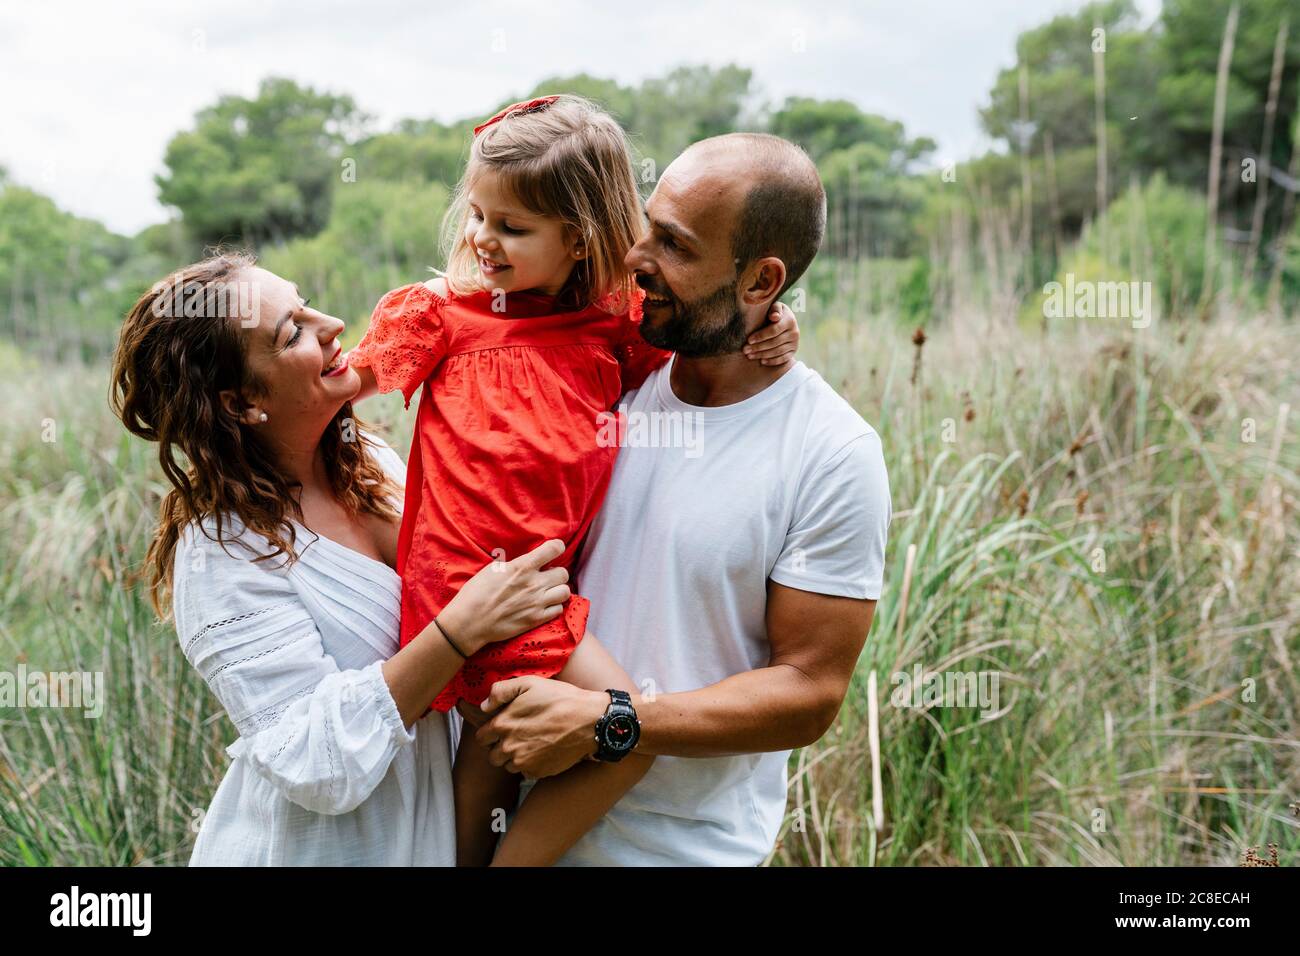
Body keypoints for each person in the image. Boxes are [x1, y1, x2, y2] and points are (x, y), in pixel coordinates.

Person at [345, 95, 800, 865]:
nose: (484, 239)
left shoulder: (612, 327)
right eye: (479, 216)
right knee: (629, 731)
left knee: (496, 736)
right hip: (475, 582)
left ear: (582, 240)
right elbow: (336, 384)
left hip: (531, 583)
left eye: (513, 228)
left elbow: (706, 340)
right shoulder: (443, 318)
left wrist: (772, 323)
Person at [464, 133, 893, 866]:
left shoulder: (830, 453)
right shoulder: (603, 370)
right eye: (648, 228)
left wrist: (614, 723)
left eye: (675, 246)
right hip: (504, 819)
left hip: (682, 852)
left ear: (761, 283)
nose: (637, 259)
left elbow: (809, 691)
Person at [110, 253, 571, 865]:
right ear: (241, 403)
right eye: (291, 331)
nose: (329, 323)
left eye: (304, 303)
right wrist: (459, 631)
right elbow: (311, 762)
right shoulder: (221, 551)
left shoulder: (369, 460)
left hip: (444, 825)